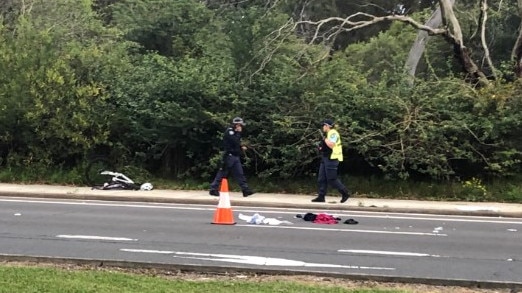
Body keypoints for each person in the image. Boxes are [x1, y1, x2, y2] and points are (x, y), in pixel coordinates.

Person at [209, 117, 255, 197]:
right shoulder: (230, 131)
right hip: (229, 156)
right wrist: (238, 133)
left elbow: (236, 144)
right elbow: (234, 141)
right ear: (236, 124)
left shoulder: (235, 132)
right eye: (240, 125)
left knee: (239, 173)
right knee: (223, 173)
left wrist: (241, 147)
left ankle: (245, 190)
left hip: (235, 156)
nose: (241, 127)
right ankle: (213, 189)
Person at [311, 119, 351, 203]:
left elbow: (331, 145)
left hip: (332, 158)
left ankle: (345, 193)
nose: (322, 127)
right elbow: (326, 147)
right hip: (325, 158)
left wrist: (324, 139)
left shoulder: (333, 133)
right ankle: (321, 196)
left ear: (327, 126)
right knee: (322, 178)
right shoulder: (329, 134)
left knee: (332, 179)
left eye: (323, 125)